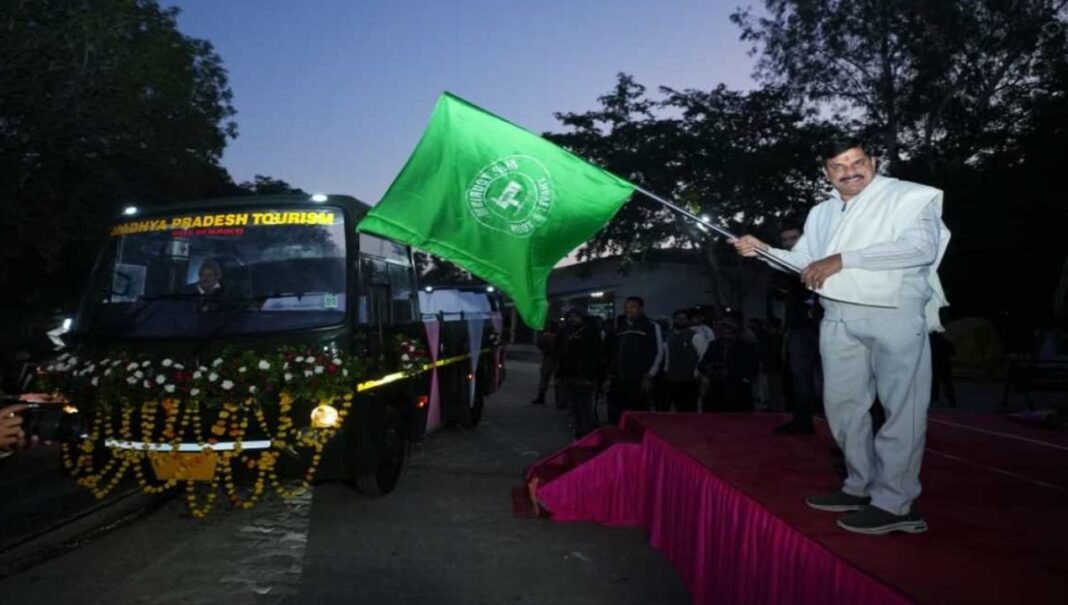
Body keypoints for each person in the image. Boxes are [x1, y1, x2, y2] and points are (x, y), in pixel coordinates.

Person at [733, 137, 950, 535]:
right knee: (842, 406)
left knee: (902, 408)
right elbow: (806, 262)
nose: (850, 171)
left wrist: (845, 259)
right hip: (836, 315)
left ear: (873, 161)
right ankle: (859, 485)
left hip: (895, 312)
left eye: (858, 161)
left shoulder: (909, 197)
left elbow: (919, 248)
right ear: (826, 172)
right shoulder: (822, 212)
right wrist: (763, 250)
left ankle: (897, 504)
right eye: (838, 165)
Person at [771, 221, 823, 435]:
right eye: (785, 241)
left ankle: (848, 434)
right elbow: (777, 291)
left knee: (835, 378)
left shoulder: (821, 257)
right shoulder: (783, 265)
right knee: (800, 374)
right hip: (800, 327)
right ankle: (802, 422)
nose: (789, 243)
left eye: (793, 238)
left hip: (827, 324)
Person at [605, 296, 663, 425]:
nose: (628, 310)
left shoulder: (651, 326)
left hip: (639, 381)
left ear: (641, 309)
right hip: (620, 380)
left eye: (632, 307)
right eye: (626, 307)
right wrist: (610, 375)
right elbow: (615, 354)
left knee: (639, 415)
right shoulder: (621, 329)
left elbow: (658, 352)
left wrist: (649, 375)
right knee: (620, 414)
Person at [555, 307, 603, 439]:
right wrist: (560, 374)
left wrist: (593, 376)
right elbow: (561, 355)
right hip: (569, 376)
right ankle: (579, 433)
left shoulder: (590, 332)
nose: (572, 319)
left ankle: (589, 435)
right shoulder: (566, 332)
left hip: (585, 377)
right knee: (573, 408)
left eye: (575, 316)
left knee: (585, 408)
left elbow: (596, 356)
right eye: (570, 316)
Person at [697, 316, 760, 411]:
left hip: (739, 394)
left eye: (729, 333)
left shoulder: (747, 347)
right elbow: (702, 364)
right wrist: (708, 369)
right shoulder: (714, 345)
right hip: (715, 394)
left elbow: (752, 369)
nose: (726, 336)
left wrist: (730, 372)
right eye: (723, 332)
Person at [663, 310, 710, 412]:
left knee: (688, 410)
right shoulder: (668, 336)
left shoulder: (696, 337)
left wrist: (699, 374)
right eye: (678, 318)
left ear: (688, 321)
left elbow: (703, 356)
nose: (680, 321)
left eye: (683, 319)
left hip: (689, 380)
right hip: (671, 379)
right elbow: (667, 356)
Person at [531, 321, 559, 406]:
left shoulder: (546, 336)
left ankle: (541, 397)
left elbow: (540, 345)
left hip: (549, 359)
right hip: (556, 359)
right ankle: (558, 400)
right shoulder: (558, 336)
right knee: (557, 380)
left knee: (544, 379)